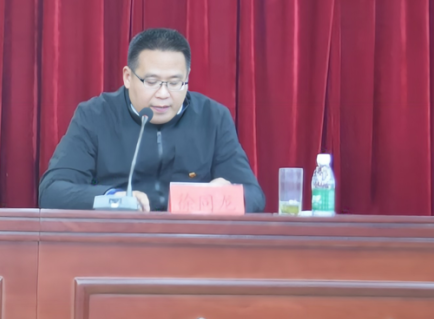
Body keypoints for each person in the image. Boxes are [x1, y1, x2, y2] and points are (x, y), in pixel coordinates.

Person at [38, 28, 265, 212]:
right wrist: (115, 199)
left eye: (175, 83)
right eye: (152, 82)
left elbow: (254, 196)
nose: (163, 94)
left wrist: (220, 197)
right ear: (128, 77)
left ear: (187, 78)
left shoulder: (213, 117)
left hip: (192, 245)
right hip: (117, 243)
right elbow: (52, 192)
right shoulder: (95, 116)